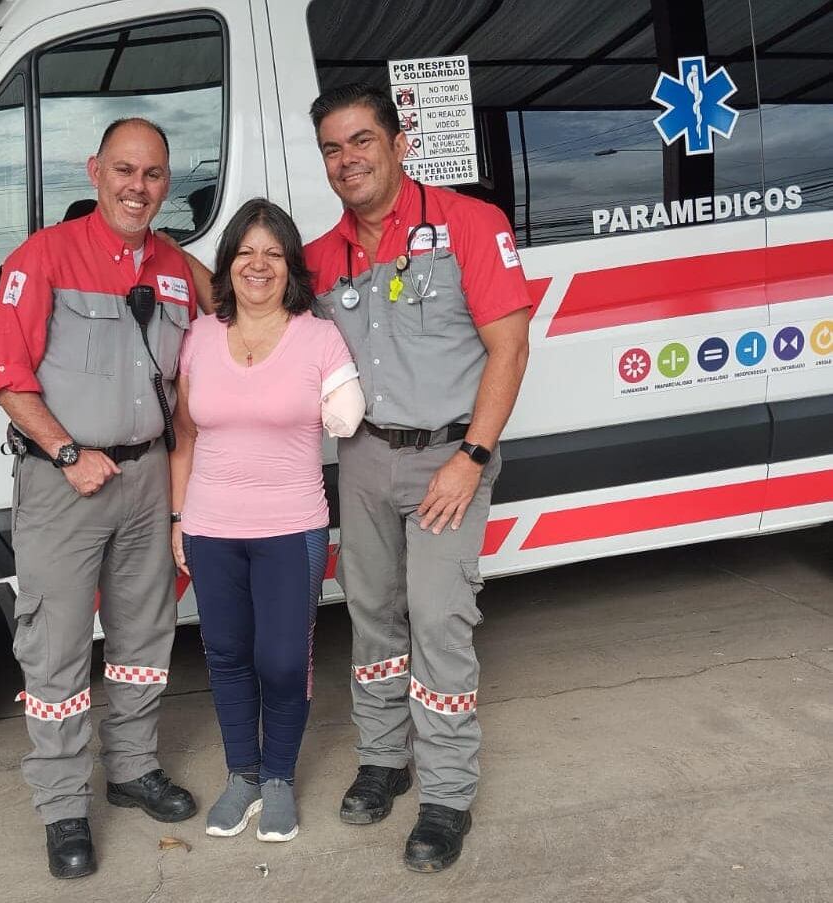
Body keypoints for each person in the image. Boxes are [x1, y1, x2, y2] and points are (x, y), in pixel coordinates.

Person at [304, 84, 531, 872]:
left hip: (448, 455)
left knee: (437, 618)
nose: (348, 159)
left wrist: (471, 456)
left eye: (362, 140)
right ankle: (382, 756)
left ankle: (446, 792)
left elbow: (509, 347)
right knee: (370, 611)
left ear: (399, 143)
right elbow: (249, 302)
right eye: (333, 148)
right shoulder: (320, 257)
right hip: (363, 455)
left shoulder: (471, 224)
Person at [0, 117, 199, 881]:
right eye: (126, 171)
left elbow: (204, 358)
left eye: (155, 174)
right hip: (66, 482)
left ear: (167, 183)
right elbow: (4, 371)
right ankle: (64, 806)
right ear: (95, 171)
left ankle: (133, 770)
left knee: (145, 636)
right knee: (57, 645)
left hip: (147, 480)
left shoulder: (174, 267)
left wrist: (175, 500)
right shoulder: (43, 257)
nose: (139, 187)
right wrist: (67, 452)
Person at [169, 198, 363, 844]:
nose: (259, 264)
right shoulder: (200, 336)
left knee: (281, 658)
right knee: (226, 655)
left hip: (291, 524)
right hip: (211, 523)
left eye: (273, 253)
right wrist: (178, 515)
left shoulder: (317, 335)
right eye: (246, 252)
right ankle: (243, 774)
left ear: (290, 267)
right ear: (227, 265)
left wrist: (344, 401)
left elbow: (346, 408)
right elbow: (185, 436)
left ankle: (278, 777)